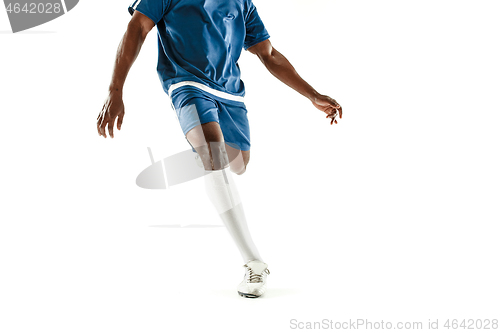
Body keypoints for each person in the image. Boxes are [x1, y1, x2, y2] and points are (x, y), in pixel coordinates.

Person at [96, 0, 342, 298]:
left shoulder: (242, 3)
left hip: (230, 93)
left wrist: (312, 95)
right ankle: (254, 261)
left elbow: (269, 54)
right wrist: (115, 90)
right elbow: (137, 28)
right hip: (186, 83)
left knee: (237, 164)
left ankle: (204, 155)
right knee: (214, 154)